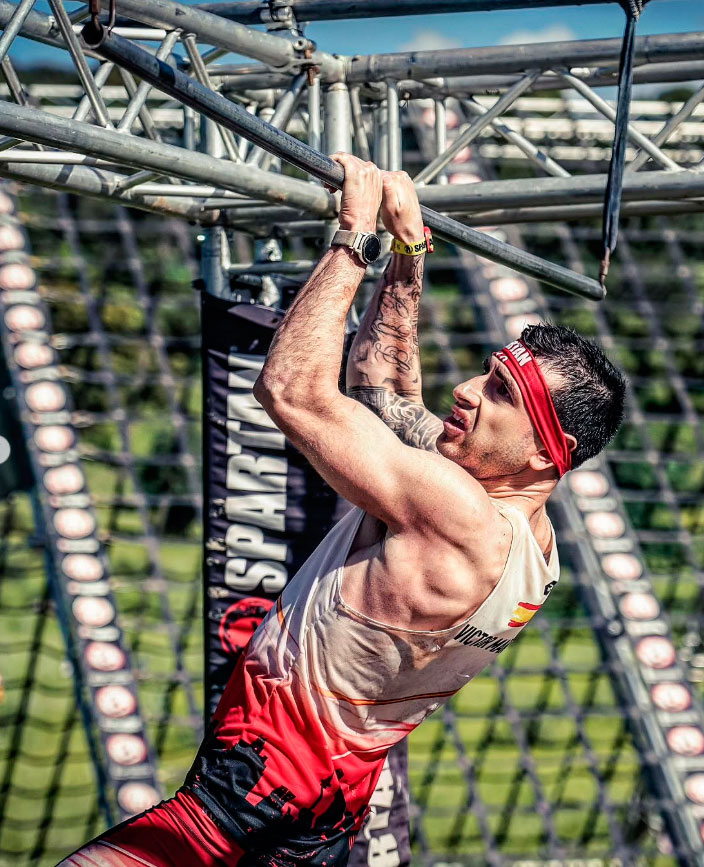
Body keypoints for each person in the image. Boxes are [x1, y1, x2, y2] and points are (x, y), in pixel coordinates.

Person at [58, 155, 626, 867]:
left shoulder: (459, 513)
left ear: (548, 450)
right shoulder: (534, 545)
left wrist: (355, 235)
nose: (467, 389)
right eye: (488, 371)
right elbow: (384, 396)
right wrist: (409, 252)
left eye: (501, 394)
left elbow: (291, 391)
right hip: (325, 810)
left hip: (256, 785)